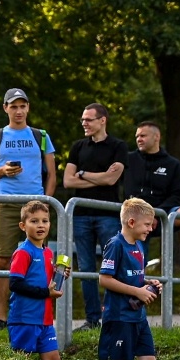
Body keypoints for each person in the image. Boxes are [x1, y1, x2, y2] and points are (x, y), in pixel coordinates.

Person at [0, 88, 56, 330]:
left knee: (39, 260)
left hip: (35, 204)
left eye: (23, 106)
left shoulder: (41, 135)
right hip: (5, 203)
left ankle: (40, 314)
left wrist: (46, 202)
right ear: (5, 108)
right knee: (2, 260)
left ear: (28, 108)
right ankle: (1, 318)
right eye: (14, 106)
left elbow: (52, 175)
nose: (19, 111)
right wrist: (2, 170)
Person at [64, 103, 128, 329]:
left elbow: (112, 179)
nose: (84, 123)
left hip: (108, 215)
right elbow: (68, 181)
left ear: (102, 120)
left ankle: (114, 315)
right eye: (82, 119)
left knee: (113, 266)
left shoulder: (118, 146)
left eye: (89, 119)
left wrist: (82, 174)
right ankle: (92, 319)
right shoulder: (78, 146)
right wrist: (98, 177)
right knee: (86, 269)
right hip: (81, 215)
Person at [124, 121, 180, 283]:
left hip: (162, 215)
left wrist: (156, 214)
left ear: (156, 137)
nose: (139, 139)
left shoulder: (172, 164)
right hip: (134, 217)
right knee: (135, 271)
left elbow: (177, 195)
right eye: (137, 136)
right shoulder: (128, 160)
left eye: (143, 135)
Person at [97, 197, 162, 360]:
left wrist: (148, 283)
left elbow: (132, 276)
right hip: (121, 316)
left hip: (138, 317)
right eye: (147, 224)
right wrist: (137, 292)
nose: (150, 229)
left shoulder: (139, 245)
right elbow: (105, 279)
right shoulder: (116, 245)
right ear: (131, 222)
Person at [6, 199, 67, 360]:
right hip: (25, 319)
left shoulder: (48, 252)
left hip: (45, 320)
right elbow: (15, 284)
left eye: (44, 221)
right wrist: (45, 293)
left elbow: (44, 279)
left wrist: (59, 275)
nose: (40, 225)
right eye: (34, 221)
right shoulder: (23, 252)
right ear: (23, 226)